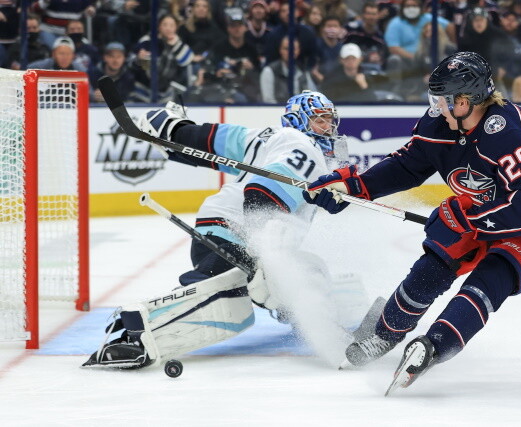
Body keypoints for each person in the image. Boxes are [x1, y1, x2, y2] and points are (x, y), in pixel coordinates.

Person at [304, 51, 521, 393]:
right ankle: (384, 336)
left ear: (465, 101)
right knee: (435, 264)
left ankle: (434, 345)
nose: (435, 106)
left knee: (494, 275)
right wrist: (354, 185)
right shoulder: (440, 124)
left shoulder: (507, 132)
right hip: (485, 207)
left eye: (441, 100)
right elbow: (407, 165)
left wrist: (462, 217)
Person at [84, 90, 347, 369]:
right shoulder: (305, 146)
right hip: (235, 233)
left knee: (312, 271)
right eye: (321, 120)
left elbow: (205, 140)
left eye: (330, 120)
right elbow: (263, 195)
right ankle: (132, 333)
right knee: (222, 295)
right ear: (299, 121)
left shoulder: (266, 137)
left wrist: (170, 126)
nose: (329, 128)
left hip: (220, 225)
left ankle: (301, 314)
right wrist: (267, 253)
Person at [129, 13, 194, 103]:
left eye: (172, 25)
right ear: (159, 27)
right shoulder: (147, 41)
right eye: (165, 25)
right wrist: (139, 59)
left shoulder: (178, 43)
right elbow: (133, 63)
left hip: (166, 92)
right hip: (142, 90)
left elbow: (186, 60)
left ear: (176, 28)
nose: (168, 28)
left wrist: (175, 44)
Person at [260, 37, 317, 103]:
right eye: (287, 49)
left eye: (294, 49)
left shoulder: (303, 71)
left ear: (298, 51)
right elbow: (268, 101)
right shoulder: (269, 71)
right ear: (280, 50)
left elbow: (313, 97)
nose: (290, 52)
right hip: (277, 111)